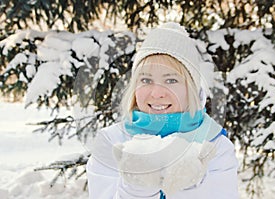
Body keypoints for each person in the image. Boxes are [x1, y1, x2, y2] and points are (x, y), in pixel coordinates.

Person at [86, 22, 239, 199]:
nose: (157, 93)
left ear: (192, 88)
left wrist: (189, 186)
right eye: (146, 80)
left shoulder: (214, 144)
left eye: (171, 80)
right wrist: (138, 187)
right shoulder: (111, 141)